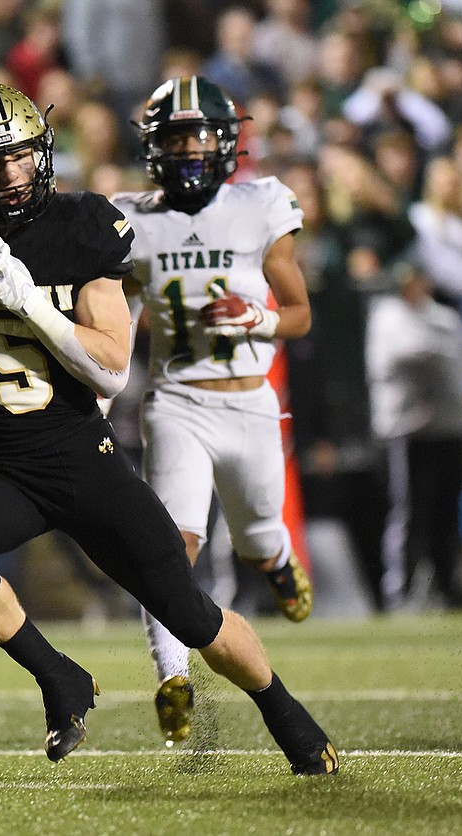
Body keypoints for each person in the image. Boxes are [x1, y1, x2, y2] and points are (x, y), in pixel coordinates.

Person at [0, 80, 337, 775]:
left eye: (21, 156)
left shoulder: (84, 224)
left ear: (43, 151)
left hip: (84, 460)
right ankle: (58, 676)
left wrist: (26, 300)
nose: (10, 175)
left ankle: (284, 710)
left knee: (191, 614)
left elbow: (112, 369)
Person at [110, 76, 314, 745]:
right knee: (172, 548)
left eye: (198, 136)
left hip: (250, 402)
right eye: (175, 138)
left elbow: (300, 314)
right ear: (154, 147)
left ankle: (277, 563)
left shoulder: (261, 205)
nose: (188, 150)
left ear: (225, 142)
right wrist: (99, 391)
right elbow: (115, 322)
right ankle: (172, 675)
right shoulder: (132, 219)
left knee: (257, 539)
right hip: (177, 402)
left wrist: (257, 318)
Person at [365, 261, 462, 610]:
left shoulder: (443, 316)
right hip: (407, 430)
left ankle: (447, 586)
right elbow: (406, 353)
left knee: (448, 509)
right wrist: (441, 353)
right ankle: (401, 589)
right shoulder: (387, 315)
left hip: (448, 426)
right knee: (409, 511)